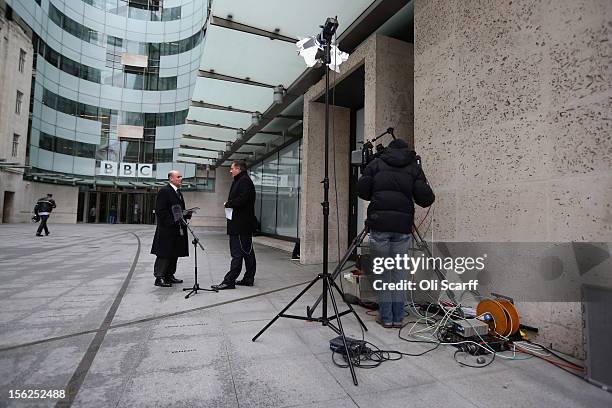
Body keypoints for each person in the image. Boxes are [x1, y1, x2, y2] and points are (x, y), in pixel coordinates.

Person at [357, 138, 435, 328]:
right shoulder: (412, 167)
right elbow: (426, 199)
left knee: (384, 274)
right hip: (402, 227)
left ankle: (387, 317)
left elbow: (362, 191)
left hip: (380, 225)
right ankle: (398, 318)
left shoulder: (376, 163)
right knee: (399, 274)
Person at [212, 160, 257, 290]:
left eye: (232, 168)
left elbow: (243, 199)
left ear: (238, 169)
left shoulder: (244, 181)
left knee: (237, 253)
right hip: (242, 225)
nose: (230, 171)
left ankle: (229, 281)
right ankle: (248, 278)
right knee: (248, 253)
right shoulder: (242, 180)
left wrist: (228, 204)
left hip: (240, 225)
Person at [150, 170, 192, 287]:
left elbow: (178, 209)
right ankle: (159, 277)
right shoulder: (164, 191)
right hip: (167, 229)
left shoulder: (178, 192)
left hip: (177, 229)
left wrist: (186, 214)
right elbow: (160, 211)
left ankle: (169, 275)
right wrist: (173, 220)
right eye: (178, 177)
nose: (181, 179)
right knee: (164, 253)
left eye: (181, 177)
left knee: (174, 252)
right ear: (171, 179)